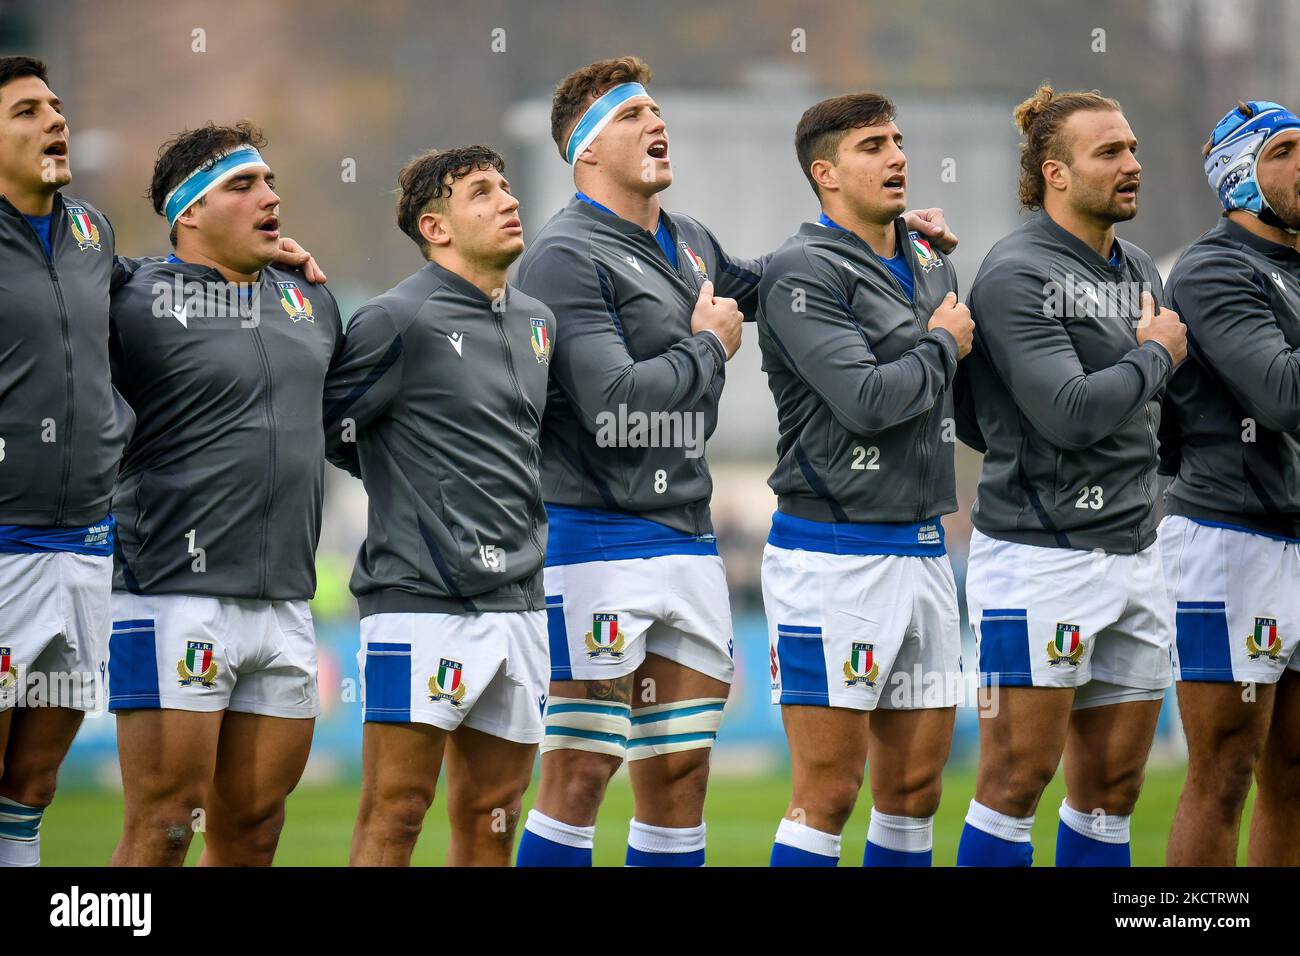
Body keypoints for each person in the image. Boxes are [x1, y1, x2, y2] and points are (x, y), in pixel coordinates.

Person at [512, 54, 957, 867]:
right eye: (630, 117)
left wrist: (886, 244)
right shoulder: (563, 256)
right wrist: (709, 350)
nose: (655, 124)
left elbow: (783, 280)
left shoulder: (687, 242)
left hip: (685, 538)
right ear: (584, 152)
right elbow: (615, 405)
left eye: (655, 111)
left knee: (680, 777)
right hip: (597, 541)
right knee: (579, 778)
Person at [955, 85, 1187, 866]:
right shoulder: (1016, 272)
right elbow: (1069, 412)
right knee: (1018, 779)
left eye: (1132, 149)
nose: (1133, 165)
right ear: (1054, 172)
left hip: (1135, 552)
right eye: (1110, 153)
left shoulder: (1139, 265)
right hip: (1040, 559)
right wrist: (1156, 353)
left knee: (1115, 788)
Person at [106, 122, 343, 866]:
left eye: (268, 181)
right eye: (242, 186)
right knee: (168, 824)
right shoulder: (128, 297)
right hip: (173, 592)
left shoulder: (311, 302)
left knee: (255, 830)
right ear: (188, 214)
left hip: (285, 601)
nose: (270, 196)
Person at [757, 92, 974, 867]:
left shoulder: (926, 256)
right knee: (830, 792)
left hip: (923, 552)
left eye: (899, 140)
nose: (897, 157)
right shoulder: (802, 269)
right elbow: (867, 401)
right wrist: (946, 345)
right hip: (832, 557)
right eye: (872, 146)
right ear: (826, 173)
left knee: (917, 791)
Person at [324, 146, 554, 866]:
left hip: (520, 604)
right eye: (482, 192)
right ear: (436, 225)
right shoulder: (395, 318)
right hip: (420, 600)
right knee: (396, 812)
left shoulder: (538, 321)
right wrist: (423, 489)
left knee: (494, 815)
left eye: (508, 187)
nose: (508, 201)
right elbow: (337, 434)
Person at [1158, 100, 1300, 866]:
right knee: (1225, 771)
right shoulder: (1215, 269)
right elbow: (1282, 396)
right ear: (1239, 177)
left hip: (1295, 533)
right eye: (1284, 151)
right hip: (1230, 542)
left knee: (1295, 774)